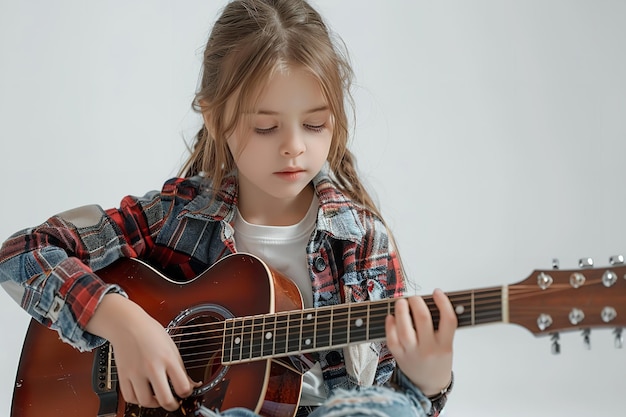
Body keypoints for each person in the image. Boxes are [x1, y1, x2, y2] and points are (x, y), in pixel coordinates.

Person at [0, 0, 457, 416]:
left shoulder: (361, 240)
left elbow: (387, 401)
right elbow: (23, 251)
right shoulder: (178, 215)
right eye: (265, 128)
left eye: (315, 124)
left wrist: (428, 382)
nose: (294, 147)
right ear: (216, 118)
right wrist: (122, 322)